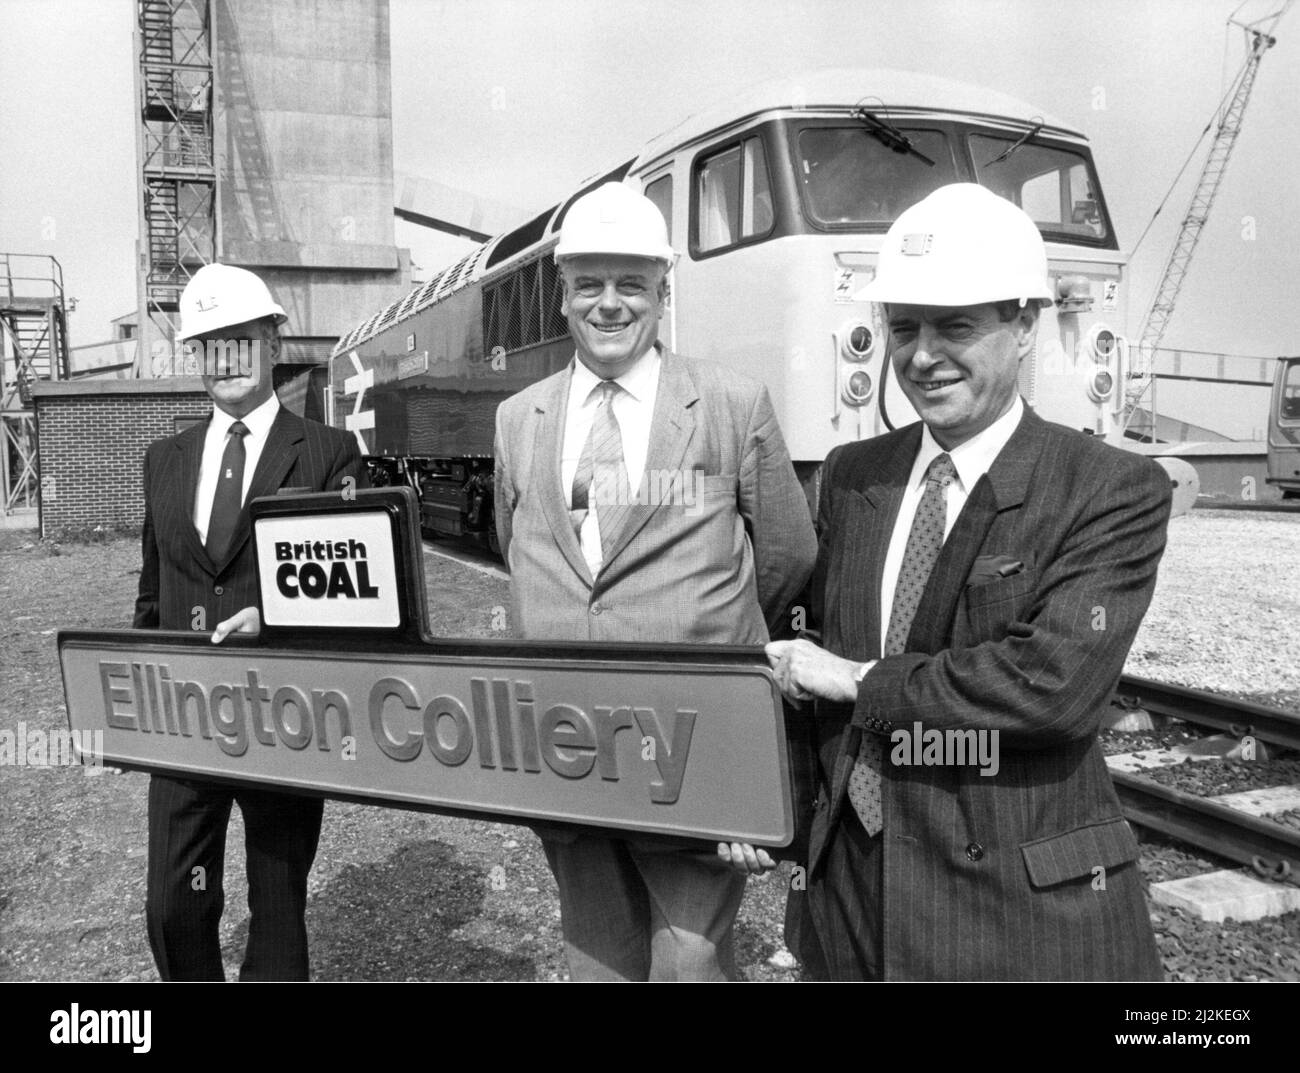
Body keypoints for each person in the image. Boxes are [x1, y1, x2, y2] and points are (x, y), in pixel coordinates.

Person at [761, 183, 1171, 981]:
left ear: (1025, 326)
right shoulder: (852, 474)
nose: (922, 355)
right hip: (850, 902)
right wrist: (763, 807)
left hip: (1012, 918)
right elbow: (805, 655)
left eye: (956, 326)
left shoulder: (1108, 487)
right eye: (903, 327)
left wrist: (859, 680)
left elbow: (1051, 685)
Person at [493, 182, 816, 981]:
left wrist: (711, 642)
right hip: (567, 745)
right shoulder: (518, 418)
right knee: (596, 959)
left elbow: (787, 551)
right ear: (562, 295)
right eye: (590, 284)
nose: (610, 304)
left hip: (693, 744)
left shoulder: (730, 405)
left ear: (663, 293)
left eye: (631, 283)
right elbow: (523, 548)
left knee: (689, 962)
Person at [134, 263, 366, 980]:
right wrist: (136, 690)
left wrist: (275, 616)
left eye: (239, 338)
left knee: (278, 911)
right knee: (172, 907)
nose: (224, 358)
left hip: (284, 716)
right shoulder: (163, 461)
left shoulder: (329, 455)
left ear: (272, 341)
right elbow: (153, 593)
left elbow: (356, 595)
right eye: (208, 343)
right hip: (185, 718)